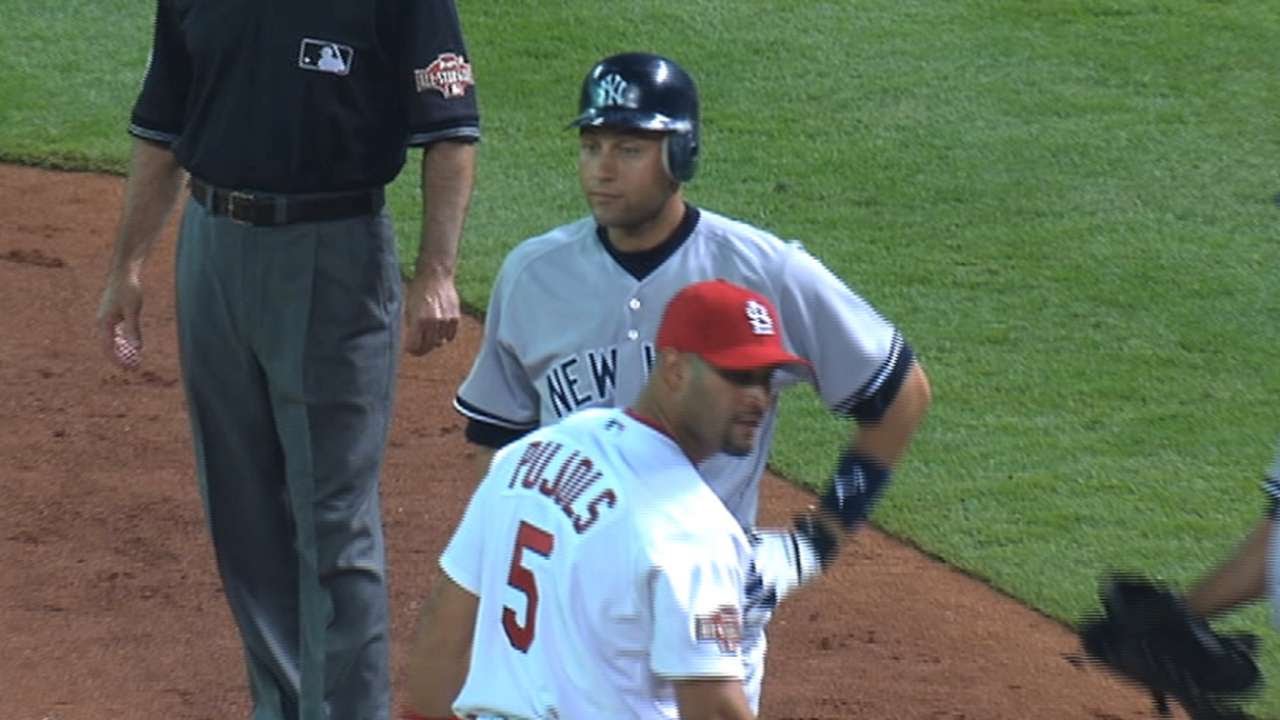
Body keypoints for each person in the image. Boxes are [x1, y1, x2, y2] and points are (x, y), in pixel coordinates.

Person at [451, 51, 932, 698]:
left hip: (704, 609)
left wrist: (814, 542)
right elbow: (499, 443)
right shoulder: (533, 276)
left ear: (682, 155)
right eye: (591, 146)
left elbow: (899, 391)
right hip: (568, 613)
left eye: (628, 148)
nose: (601, 169)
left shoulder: (761, 272)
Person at [93, 2, 479, 718]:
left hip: (330, 252)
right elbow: (164, 127)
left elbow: (451, 133)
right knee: (242, 513)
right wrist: (129, 266)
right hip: (211, 248)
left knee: (332, 519)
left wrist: (438, 271)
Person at [404, 279, 812, 720]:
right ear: (674, 369)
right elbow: (714, 710)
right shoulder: (695, 530)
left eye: (766, 379)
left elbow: (441, 635)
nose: (758, 399)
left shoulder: (531, 454)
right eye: (736, 376)